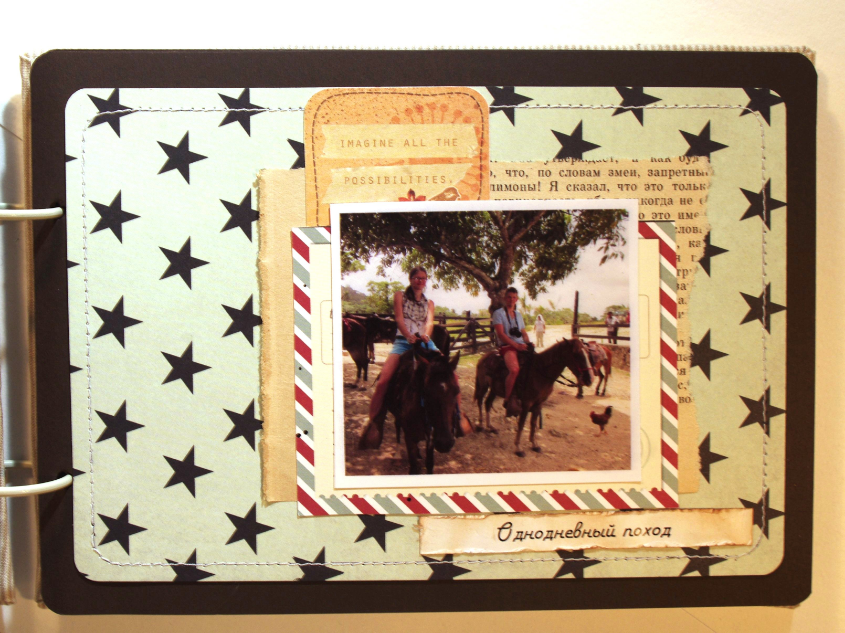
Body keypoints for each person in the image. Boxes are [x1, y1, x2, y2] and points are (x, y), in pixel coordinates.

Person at [360, 266, 440, 448]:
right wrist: (408, 335)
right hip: (403, 342)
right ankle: (372, 421)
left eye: (423, 278)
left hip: (424, 342)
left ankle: (457, 418)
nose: (420, 281)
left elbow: (429, 323)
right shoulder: (400, 296)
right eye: (417, 278)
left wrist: (426, 335)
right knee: (383, 380)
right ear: (411, 279)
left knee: (449, 374)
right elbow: (399, 319)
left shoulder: (429, 303)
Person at [492, 287, 531, 416]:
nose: (511, 300)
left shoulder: (518, 315)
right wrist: (516, 345)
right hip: (507, 346)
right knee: (514, 370)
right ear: (505, 298)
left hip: (520, 344)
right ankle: (507, 399)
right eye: (509, 297)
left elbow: (523, 332)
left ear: (517, 299)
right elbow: (501, 334)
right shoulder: (498, 313)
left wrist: (528, 342)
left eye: (514, 297)